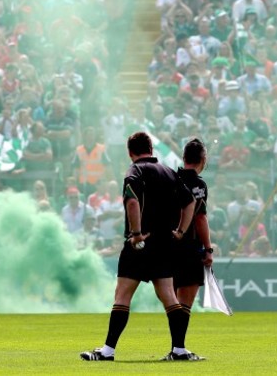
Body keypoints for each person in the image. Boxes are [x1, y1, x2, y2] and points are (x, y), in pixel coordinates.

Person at [80, 132, 197, 362]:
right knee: (169, 297)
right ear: (151, 149)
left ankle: (107, 351)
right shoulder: (169, 172)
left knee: (122, 295)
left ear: (130, 152)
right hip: (165, 243)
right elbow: (190, 201)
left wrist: (136, 234)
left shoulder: (135, 171)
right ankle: (179, 350)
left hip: (140, 243)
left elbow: (132, 201)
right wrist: (181, 231)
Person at [173, 139, 214, 347]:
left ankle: (177, 347)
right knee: (185, 302)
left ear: (184, 157)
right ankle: (178, 348)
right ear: (203, 159)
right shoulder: (199, 184)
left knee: (173, 302)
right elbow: (200, 218)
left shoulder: (171, 178)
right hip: (189, 248)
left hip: (169, 247)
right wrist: (208, 249)